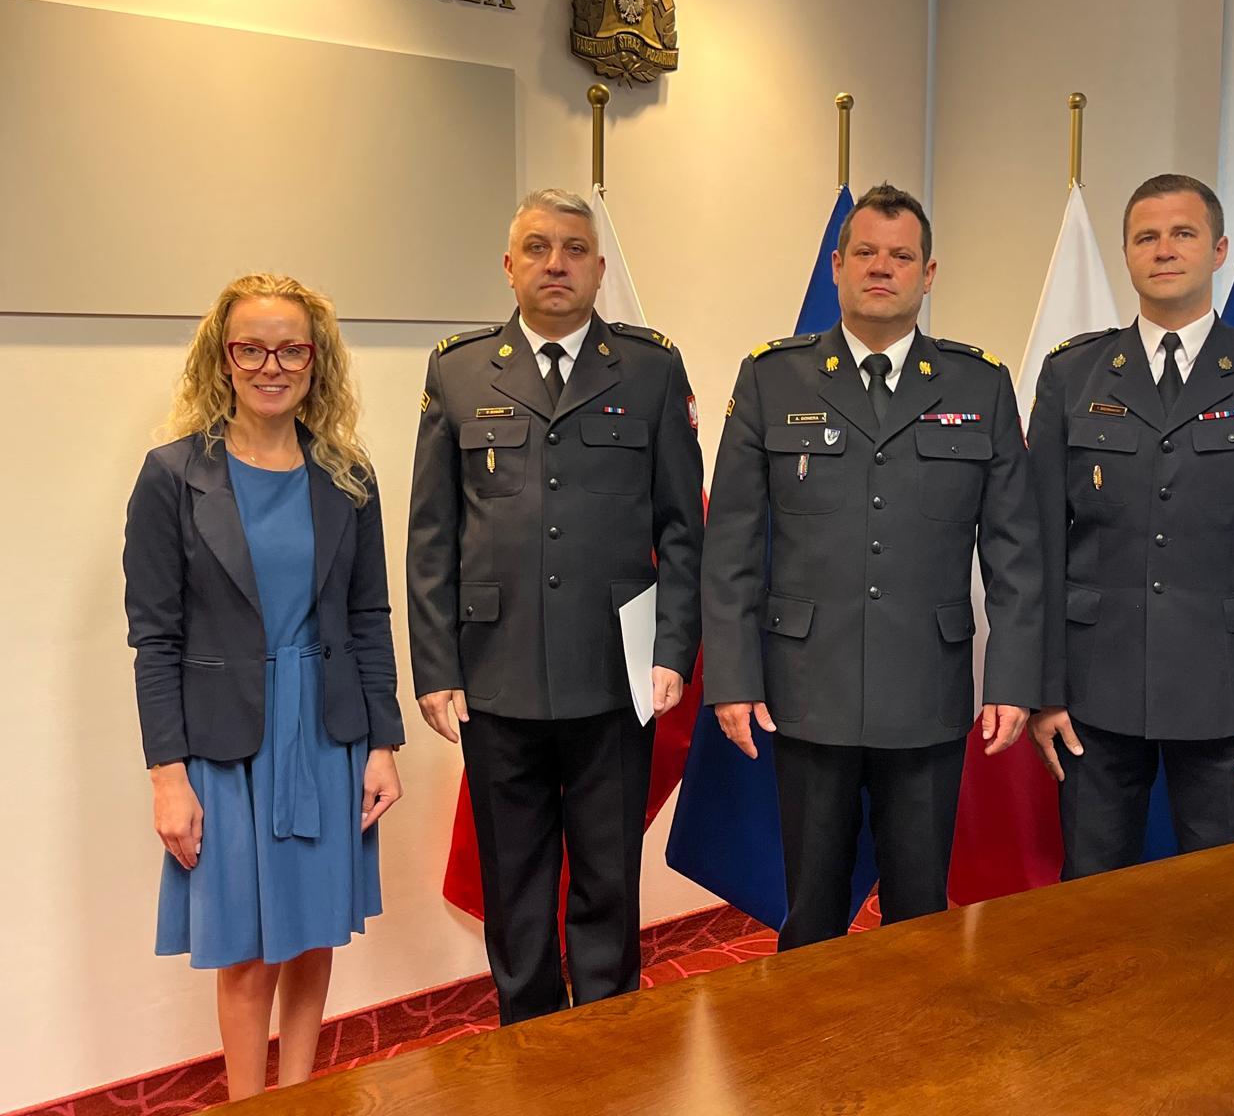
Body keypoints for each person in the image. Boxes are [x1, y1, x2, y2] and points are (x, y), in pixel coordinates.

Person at [701, 183, 1042, 950]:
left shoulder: (979, 384)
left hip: (927, 689)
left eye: (901, 256)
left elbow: (1016, 551)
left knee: (918, 913)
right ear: (838, 266)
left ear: (929, 274)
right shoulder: (772, 378)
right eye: (865, 253)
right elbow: (731, 545)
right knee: (811, 912)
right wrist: (732, 677)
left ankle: (912, 1031)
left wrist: (1013, 680)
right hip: (805, 688)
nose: (881, 268)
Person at [407, 189, 703, 1024]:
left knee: (608, 877)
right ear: (509, 266)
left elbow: (683, 528)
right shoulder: (459, 370)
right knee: (516, 882)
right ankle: (529, 1040)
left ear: (599, 269)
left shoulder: (650, 369)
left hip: (614, 671)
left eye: (574, 249)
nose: (556, 264)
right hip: (495, 673)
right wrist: (435, 666)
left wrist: (673, 649)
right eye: (537, 248)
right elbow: (432, 532)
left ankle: (606, 1040)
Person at [123, 273, 404, 1101]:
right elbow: (154, 639)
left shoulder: (348, 475)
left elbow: (369, 615)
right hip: (225, 746)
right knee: (245, 951)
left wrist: (383, 744)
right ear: (223, 358)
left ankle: (303, 1096)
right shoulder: (171, 476)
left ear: (316, 360)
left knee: (313, 936)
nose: (271, 367)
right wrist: (167, 777)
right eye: (251, 349)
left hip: (326, 735)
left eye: (290, 350)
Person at [1027, 173, 1234, 878]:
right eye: (1146, 237)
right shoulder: (1072, 374)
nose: (1163, 250)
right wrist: (1044, 691)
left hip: (1231, 696)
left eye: (1183, 234)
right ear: (1127, 255)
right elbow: (1039, 543)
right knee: (1090, 901)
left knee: (1218, 905)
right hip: (1093, 694)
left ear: (1219, 249)